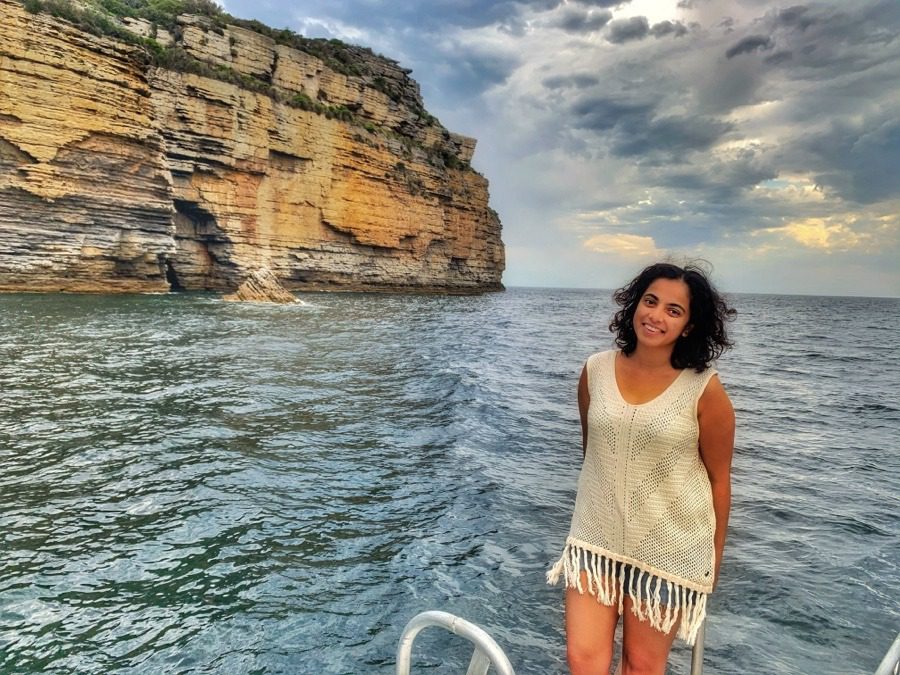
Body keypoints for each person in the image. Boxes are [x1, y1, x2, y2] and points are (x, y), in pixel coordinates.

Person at [547, 262, 736, 675]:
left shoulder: (705, 389)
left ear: (688, 326)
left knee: (642, 666)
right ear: (634, 305)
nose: (656, 315)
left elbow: (719, 481)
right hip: (596, 542)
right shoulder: (595, 370)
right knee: (583, 659)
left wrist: (712, 563)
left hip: (669, 551)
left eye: (674, 310)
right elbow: (592, 454)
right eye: (651, 301)